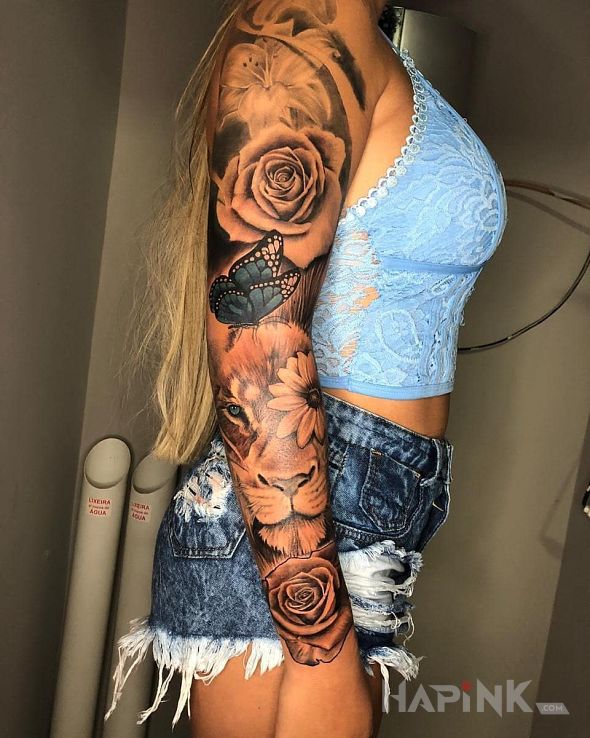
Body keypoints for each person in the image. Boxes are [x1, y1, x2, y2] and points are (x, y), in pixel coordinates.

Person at [105, 1, 508, 736]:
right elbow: (256, 336)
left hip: (359, 509)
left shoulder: (362, 34)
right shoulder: (313, 20)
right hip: (297, 524)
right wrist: (321, 656)